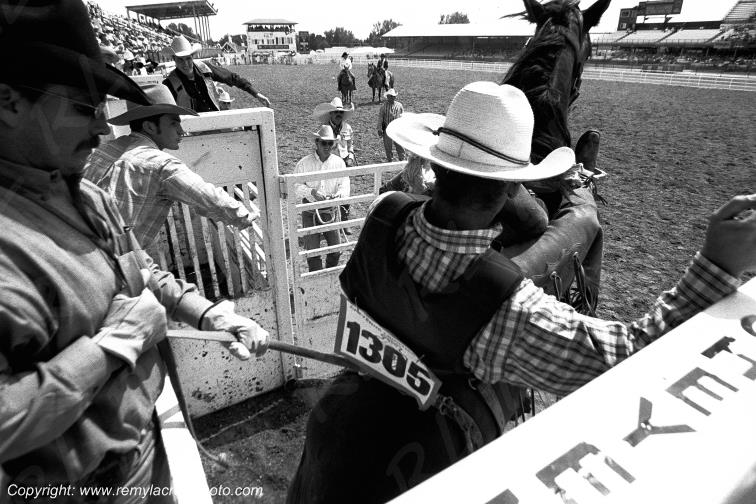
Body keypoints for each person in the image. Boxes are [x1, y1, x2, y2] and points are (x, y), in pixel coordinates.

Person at [287, 81, 756, 503]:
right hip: (418, 473)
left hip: (332, 440)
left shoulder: (383, 215)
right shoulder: (506, 309)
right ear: (511, 189)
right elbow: (630, 356)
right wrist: (713, 268)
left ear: (435, 163)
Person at [0, 0, 269, 501]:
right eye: (84, 108)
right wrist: (111, 347)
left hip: (141, 452)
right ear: (10, 102)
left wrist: (210, 313)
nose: (102, 127)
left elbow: (140, 268)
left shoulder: (83, 189)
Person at [84, 83, 258, 247]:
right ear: (150, 127)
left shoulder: (104, 149)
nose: (181, 130)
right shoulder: (161, 165)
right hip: (116, 260)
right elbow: (208, 197)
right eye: (174, 123)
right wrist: (244, 216)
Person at [163, 35, 271, 112]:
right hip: (192, 129)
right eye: (180, 60)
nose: (185, 64)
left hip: (216, 119)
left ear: (192, 57)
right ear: (174, 59)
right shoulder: (169, 83)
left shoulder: (205, 68)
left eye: (188, 59)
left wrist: (256, 94)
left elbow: (232, 77)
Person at [294, 125, 350, 272]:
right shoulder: (304, 163)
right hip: (310, 210)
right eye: (324, 143)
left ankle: (328, 275)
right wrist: (311, 192)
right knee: (312, 253)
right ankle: (316, 280)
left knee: (336, 250)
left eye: (330, 143)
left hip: (330, 210)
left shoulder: (339, 163)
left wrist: (337, 196)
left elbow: (344, 185)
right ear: (317, 143)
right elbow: (295, 186)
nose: (327, 146)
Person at [313, 97, 355, 230]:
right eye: (336, 112)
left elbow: (350, 144)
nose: (339, 115)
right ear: (330, 114)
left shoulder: (347, 128)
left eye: (341, 113)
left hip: (344, 162)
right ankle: (325, 219)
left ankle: (344, 220)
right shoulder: (323, 129)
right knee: (327, 189)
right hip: (329, 163)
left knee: (345, 190)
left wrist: (351, 156)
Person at [377, 88, 405, 162]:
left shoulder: (399, 105)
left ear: (395, 97)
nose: (392, 98)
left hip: (397, 130)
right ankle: (390, 160)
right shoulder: (383, 106)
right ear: (387, 97)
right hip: (387, 129)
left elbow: (403, 117)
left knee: (400, 145)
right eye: (390, 96)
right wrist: (379, 128)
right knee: (388, 146)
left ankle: (402, 159)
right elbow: (381, 118)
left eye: (393, 96)